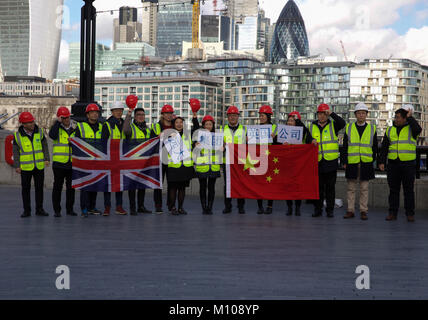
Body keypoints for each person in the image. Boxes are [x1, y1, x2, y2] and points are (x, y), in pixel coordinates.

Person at [378, 104, 422, 222]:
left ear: (404, 118)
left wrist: (410, 117)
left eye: (398, 117)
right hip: (393, 164)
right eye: (395, 117)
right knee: (393, 190)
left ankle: (410, 213)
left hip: (408, 164)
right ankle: (392, 213)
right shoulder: (390, 129)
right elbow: (384, 147)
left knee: (408, 190)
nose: (395, 119)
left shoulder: (412, 129)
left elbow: (418, 129)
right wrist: (382, 161)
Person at [309, 103, 346, 218]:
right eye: (320, 114)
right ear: (317, 115)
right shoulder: (312, 126)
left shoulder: (333, 125)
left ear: (327, 115)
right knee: (318, 188)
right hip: (317, 161)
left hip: (331, 161)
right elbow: (307, 137)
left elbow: (342, 123)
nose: (322, 116)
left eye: (324, 114)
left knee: (330, 188)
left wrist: (331, 113)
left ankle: (330, 210)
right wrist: (311, 140)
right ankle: (318, 210)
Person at [342, 103, 378, 221]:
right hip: (352, 162)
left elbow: (375, 147)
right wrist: (344, 161)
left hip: (366, 162)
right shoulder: (349, 127)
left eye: (363, 113)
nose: (361, 115)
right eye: (359, 113)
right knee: (351, 188)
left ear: (366, 115)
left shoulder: (372, 128)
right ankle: (350, 210)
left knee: (364, 188)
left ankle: (363, 211)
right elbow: (345, 146)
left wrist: (373, 160)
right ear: (355, 115)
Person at [13, 112, 50, 218]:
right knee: (25, 189)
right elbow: (15, 152)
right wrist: (17, 165)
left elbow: (45, 146)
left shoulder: (40, 132)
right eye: (29, 122)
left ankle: (39, 209)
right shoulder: (17, 136)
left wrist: (47, 158)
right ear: (23, 124)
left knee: (39, 188)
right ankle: (27, 211)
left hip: (39, 165)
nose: (32, 124)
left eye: (32, 121)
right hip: (25, 167)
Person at [72, 103, 103, 218]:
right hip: (85, 162)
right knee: (85, 186)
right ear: (88, 114)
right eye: (92, 112)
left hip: (97, 161)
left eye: (96, 112)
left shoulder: (102, 127)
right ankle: (84, 208)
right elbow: (74, 142)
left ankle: (92, 207)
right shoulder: (80, 127)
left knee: (94, 184)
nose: (95, 114)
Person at [284, 111, 317, 216]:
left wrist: (312, 141)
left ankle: (297, 208)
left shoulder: (303, 131)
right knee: (287, 187)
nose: (290, 122)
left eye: (292, 120)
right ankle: (289, 208)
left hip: (298, 163)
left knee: (297, 186)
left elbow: (308, 138)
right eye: (288, 120)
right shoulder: (283, 132)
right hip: (287, 163)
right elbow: (276, 143)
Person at [123, 105, 152, 215]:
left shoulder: (147, 129)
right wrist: (128, 114)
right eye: (139, 115)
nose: (141, 117)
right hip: (133, 161)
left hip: (144, 162)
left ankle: (141, 206)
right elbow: (125, 130)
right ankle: (133, 207)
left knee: (142, 185)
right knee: (132, 186)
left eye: (143, 115)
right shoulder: (131, 127)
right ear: (135, 117)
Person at [49, 106, 77, 217]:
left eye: (68, 117)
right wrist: (57, 122)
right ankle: (57, 210)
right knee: (57, 188)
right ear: (60, 118)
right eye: (64, 118)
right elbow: (52, 135)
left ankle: (70, 209)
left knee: (71, 188)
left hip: (72, 162)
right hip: (59, 163)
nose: (67, 120)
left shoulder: (76, 126)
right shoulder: (56, 127)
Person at [101, 101, 127, 216]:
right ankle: (107, 207)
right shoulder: (107, 124)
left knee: (119, 183)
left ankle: (119, 206)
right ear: (112, 112)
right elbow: (103, 142)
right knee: (108, 184)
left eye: (120, 110)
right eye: (116, 110)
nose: (119, 112)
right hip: (109, 158)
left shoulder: (124, 123)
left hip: (121, 158)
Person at [166, 115, 195, 215]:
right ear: (173, 124)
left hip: (185, 166)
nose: (179, 124)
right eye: (177, 122)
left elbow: (196, 129)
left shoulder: (188, 135)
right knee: (173, 188)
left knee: (182, 189)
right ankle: (173, 207)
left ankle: (180, 208)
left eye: (181, 122)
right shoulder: (169, 134)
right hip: (174, 166)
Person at [221, 106, 247, 214]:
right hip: (227, 161)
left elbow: (249, 145)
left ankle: (241, 207)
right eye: (230, 115)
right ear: (227, 117)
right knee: (227, 184)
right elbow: (219, 145)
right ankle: (228, 206)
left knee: (241, 184)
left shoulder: (244, 129)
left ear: (238, 117)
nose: (232, 117)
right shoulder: (222, 130)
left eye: (234, 115)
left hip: (240, 161)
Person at [193, 115, 221, 215]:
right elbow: (194, 149)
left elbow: (221, 150)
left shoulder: (218, 136)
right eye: (206, 124)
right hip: (202, 165)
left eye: (210, 124)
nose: (208, 126)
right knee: (202, 187)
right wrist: (195, 145)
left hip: (214, 166)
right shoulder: (198, 136)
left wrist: (223, 148)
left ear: (213, 125)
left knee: (211, 188)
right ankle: (204, 207)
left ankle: (210, 207)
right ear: (203, 126)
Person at [150, 104, 174, 214]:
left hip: (172, 159)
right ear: (162, 115)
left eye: (170, 113)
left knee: (172, 182)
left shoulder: (175, 125)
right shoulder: (156, 126)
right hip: (159, 158)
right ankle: (158, 205)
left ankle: (170, 204)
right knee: (158, 183)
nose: (168, 115)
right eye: (166, 113)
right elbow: (150, 141)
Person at [256, 105, 277, 215]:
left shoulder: (274, 128)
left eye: (263, 115)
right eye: (260, 115)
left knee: (270, 183)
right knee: (259, 183)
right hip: (259, 158)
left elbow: (279, 144)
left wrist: (275, 138)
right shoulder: (255, 129)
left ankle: (269, 206)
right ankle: (260, 207)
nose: (261, 117)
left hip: (270, 158)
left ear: (268, 116)